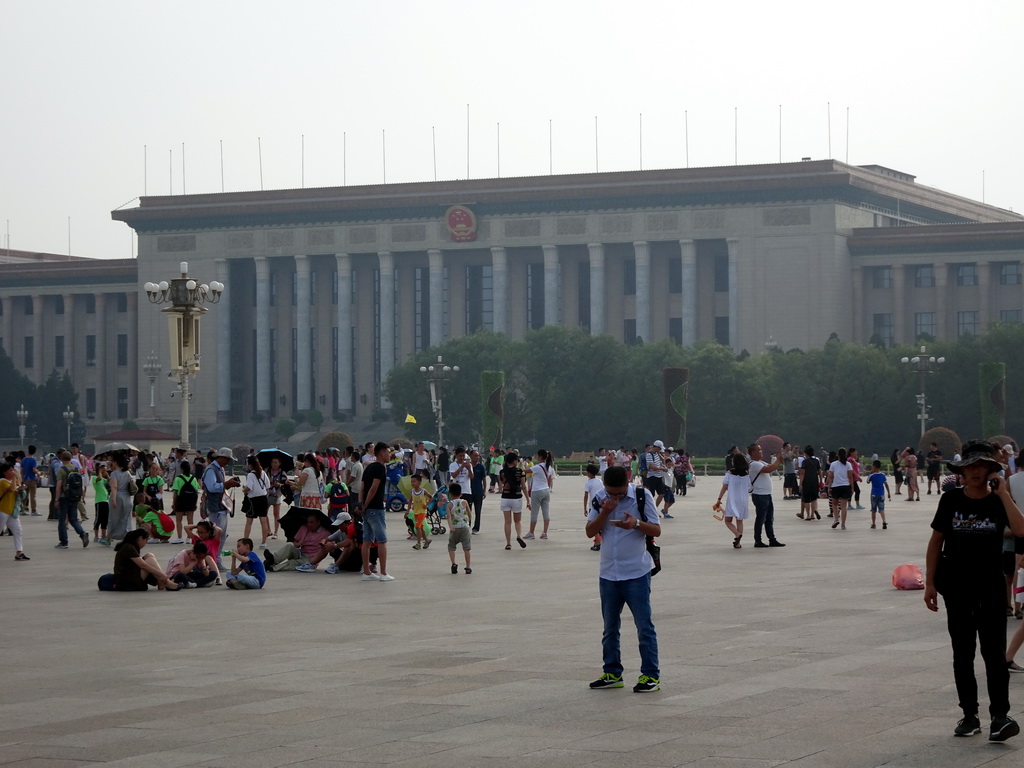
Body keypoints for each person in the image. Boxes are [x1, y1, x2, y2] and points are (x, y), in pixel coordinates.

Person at [924, 439, 1024, 741]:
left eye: (983, 465)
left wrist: (1004, 494)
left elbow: (1021, 530)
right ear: (962, 470)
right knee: (962, 652)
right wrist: (929, 582)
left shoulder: (998, 501)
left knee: (993, 653)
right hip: (956, 586)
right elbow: (935, 542)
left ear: (991, 469)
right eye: (971, 466)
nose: (977, 471)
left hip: (991, 587)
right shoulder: (951, 500)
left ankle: (1000, 716)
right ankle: (969, 714)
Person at [585, 466, 661, 693]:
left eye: (618, 494)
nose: (615, 498)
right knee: (609, 627)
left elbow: (656, 530)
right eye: (611, 493)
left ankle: (650, 675)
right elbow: (590, 532)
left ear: (626, 484)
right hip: (608, 573)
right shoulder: (600, 498)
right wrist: (605, 512)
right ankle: (612, 672)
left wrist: (636, 524)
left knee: (644, 626)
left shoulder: (641, 495)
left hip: (636, 572)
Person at [359, 441, 395, 582]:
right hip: (375, 508)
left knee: (367, 541)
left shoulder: (368, 467)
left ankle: (367, 572)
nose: (389, 455)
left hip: (367, 510)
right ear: (381, 453)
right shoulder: (380, 468)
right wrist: (366, 505)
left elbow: (362, 487)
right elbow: (374, 488)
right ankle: (384, 573)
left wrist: (361, 505)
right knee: (382, 540)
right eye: (388, 452)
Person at [112, 529, 180, 591]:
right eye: (146, 540)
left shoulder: (130, 546)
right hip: (126, 582)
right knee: (149, 561)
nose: (145, 544)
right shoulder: (128, 547)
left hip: (129, 576)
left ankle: (161, 582)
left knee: (149, 555)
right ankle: (166, 582)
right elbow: (143, 565)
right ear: (140, 538)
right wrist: (162, 575)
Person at [748, 443, 785, 548]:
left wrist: (778, 461)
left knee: (769, 518)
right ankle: (758, 540)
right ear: (752, 452)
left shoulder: (760, 462)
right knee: (761, 518)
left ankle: (772, 539)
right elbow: (769, 469)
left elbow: (770, 466)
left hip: (766, 494)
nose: (761, 452)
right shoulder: (754, 464)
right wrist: (778, 460)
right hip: (760, 495)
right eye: (759, 450)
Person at [204, 448, 241, 544]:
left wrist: (229, 484)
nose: (228, 462)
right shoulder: (211, 470)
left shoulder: (220, 469)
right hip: (215, 507)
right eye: (227, 459)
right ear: (221, 458)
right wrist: (226, 484)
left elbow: (220, 486)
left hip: (221, 506)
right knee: (217, 535)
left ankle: (217, 557)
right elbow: (211, 488)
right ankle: (214, 556)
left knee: (222, 536)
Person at [54, 450, 89, 550]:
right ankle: (82, 534)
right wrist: (82, 495)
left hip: (64, 497)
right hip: (74, 497)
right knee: (73, 519)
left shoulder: (61, 470)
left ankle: (64, 542)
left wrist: (56, 499)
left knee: (62, 520)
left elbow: (58, 486)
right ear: (71, 459)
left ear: (61, 458)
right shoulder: (75, 468)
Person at [716, 451, 751, 548]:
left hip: (732, 499)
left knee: (728, 520)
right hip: (743, 499)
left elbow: (724, 486)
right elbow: (749, 487)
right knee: (739, 521)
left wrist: (719, 499)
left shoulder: (729, 473)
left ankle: (737, 534)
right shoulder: (746, 474)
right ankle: (738, 543)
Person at [499, 452, 530, 550]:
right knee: (518, 520)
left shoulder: (502, 472)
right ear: (514, 461)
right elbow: (524, 487)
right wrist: (528, 500)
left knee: (507, 522)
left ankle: (508, 543)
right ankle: (518, 536)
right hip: (516, 497)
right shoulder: (520, 471)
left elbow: (503, 483)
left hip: (505, 497)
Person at [0, 463, 29, 561]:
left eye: (12, 470)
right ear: (4, 473)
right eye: (9, 471)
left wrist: (21, 489)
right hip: (3, 510)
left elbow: (18, 491)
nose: (12, 472)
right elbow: (12, 489)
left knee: (18, 530)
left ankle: (19, 552)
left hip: (12, 511)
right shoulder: (2, 482)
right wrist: (14, 479)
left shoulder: (13, 481)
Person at [242, 455, 271, 548]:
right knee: (263, 521)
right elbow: (268, 485)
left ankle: (245, 541)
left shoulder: (250, 475)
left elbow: (248, 488)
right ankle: (264, 542)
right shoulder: (263, 472)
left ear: (250, 465)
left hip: (253, 500)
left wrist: (244, 490)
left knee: (249, 521)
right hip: (263, 498)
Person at [524, 449, 555, 540]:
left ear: (541, 457)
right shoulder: (549, 467)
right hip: (546, 490)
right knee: (546, 512)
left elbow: (526, 471)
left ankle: (531, 532)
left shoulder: (538, 467)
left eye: (537, 456)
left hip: (537, 491)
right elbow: (549, 480)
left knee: (534, 512)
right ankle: (545, 532)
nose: (536, 457)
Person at [169, 460, 200, 544]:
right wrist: (195, 503)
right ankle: (189, 538)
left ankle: (179, 537)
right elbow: (196, 492)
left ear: (181, 469)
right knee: (190, 520)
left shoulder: (178, 478)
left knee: (179, 520)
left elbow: (175, 492)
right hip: (191, 501)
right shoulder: (193, 478)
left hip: (180, 501)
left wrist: (174, 503)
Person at [446, 482, 472, 574]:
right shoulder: (464, 502)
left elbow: (449, 517)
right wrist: (469, 522)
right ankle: (468, 567)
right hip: (464, 527)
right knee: (466, 548)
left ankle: (453, 563)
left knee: (451, 546)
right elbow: (469, 513)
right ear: (461, 494)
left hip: (455, 528)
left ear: (450, 494)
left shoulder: (449, 505)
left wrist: (450, 526)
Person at [107, 455, 135, 542]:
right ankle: (127, 535)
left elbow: (114, 487)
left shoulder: (114, 473)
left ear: (116, 462)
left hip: (117, 496)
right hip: (127, 497)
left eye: (113, 461)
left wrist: (113, 500)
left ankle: (110, 537)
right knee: (126, 518)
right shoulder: (127, 473)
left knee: (114, 518)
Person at [826, 448, 855, 530]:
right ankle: (843, 525)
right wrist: (852, 488)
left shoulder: (833, 464)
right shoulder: (848, 464)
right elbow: (850, 477)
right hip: (845, 486)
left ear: (837, 455)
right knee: (843, 507)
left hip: (836, 486)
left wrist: (829, 487)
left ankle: (836, 519)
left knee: (834, 504)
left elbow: (831, 477)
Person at [408, 473, 432, 550]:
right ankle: (427, 540)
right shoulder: (412, 492)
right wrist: (408, 510)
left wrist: (427, 504)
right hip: (416, 512)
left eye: (414, 481)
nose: (412, 483)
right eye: (411, 482)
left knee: (417, 526)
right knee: (421, 527)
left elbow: (431, 497)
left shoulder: (423, 491)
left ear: (419, 482)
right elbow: (410, 501)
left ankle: (418, 543)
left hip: (422, 512)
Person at [582, 464, 604, 552]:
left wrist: (584, 508)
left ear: (589, 473)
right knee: (600, 525)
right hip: (601, 505)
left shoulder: (588, 483)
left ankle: (598, 543)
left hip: (593, 506)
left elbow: (586, 496)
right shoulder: (599, 481)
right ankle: (599, 541)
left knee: (592, 525)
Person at [642, 441, 668, 510]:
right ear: (656, 447)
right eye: (659, 448)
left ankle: (654, 509)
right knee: (651, 495)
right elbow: (651, 467)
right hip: (652, 477)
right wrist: (661, 468)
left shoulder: (657, 454)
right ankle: (648, 509)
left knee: (662, 493)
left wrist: (663, 462)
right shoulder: (649, 455)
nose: (660, 450)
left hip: (659, 476)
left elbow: (660, 463)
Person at [867, 460, 891, 529]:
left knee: (873, 510)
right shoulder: (883, 475)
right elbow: (886, 484)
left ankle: (874, 524)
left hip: (874, 494)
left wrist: (871, 472)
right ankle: (884, 521)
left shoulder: (872, 475)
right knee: (881, 509)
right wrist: (888, 493)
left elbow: (867, 481)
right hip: (881, 494)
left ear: (874, 467)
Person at [91, 463, 111, 545]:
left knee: (105, 519)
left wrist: (106, 474)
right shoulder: (94, 478)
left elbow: (110, 480)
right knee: (98, 518)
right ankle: (96, 536)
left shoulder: (104, 479)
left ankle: (104, 536)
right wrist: (99, 471)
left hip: (106, 501)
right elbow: (99, 478)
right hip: (99, 501)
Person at [21, 445, 39, 516]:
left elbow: (22, 470)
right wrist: (38, 472)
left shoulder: (24, 459)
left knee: (25, 495)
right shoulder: (33, 459)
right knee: (32, 496)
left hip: (25, 479)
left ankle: (23, 509)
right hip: (32, 479)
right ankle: (33, 510)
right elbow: (34, 469)